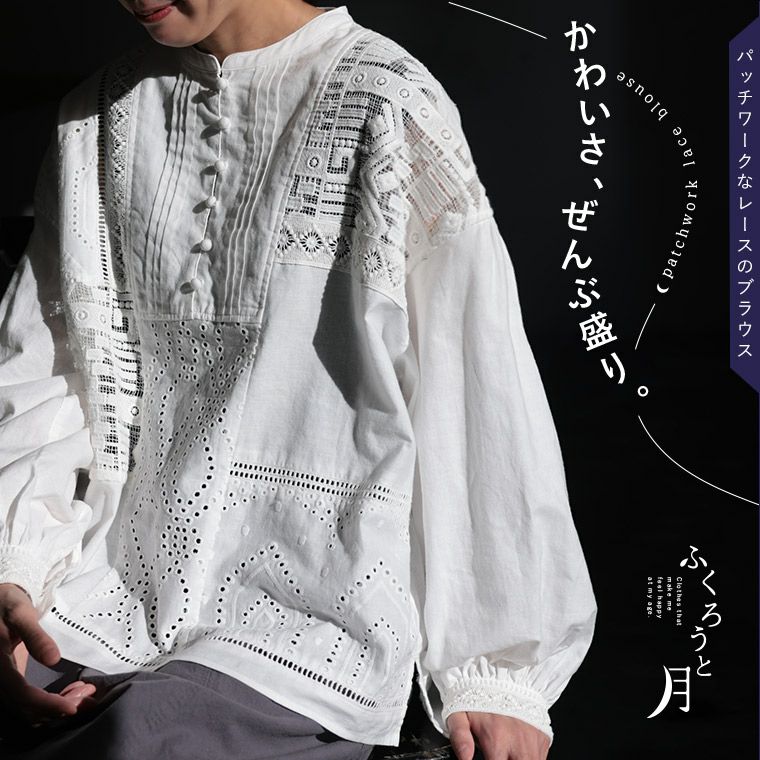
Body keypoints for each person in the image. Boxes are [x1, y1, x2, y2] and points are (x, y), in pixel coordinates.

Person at [0, 1, 598, 758]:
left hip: (303, 626)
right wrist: (13, 568)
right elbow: (48, 365)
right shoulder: (95, 117)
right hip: (92, 600)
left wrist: (495, 671)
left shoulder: (386, 101)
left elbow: (474, 384)